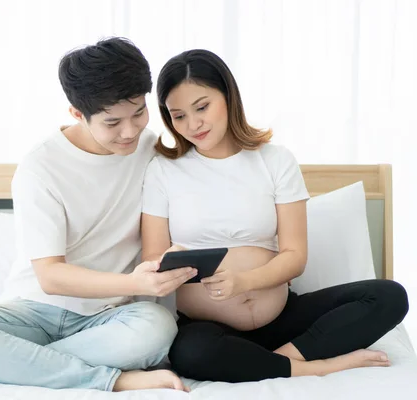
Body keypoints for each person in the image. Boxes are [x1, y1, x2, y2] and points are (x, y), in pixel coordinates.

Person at [0, 37, 196, 392]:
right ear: (76, 113)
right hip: (34, 311)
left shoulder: (151, 150)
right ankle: (112, 381)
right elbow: (51, 276)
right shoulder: (41, 167)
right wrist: (135, 282)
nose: (130, 131)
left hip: (110, 316)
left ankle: (1, 364)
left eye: (138, 113)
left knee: (157, 328)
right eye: (112, 122)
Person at [141, 49, 409, 383]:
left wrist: (244, 282)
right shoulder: (162, 171)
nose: (193, 124)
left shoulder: (275, 160)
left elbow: (295, 257)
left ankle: (275, 360)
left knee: (389, 296)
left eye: (202, 107)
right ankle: (314, 366)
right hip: (208, 328)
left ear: (228, 96)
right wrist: (175, 260)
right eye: (178, 116)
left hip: (284, 320)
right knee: (191, 354)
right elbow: (153, 259)